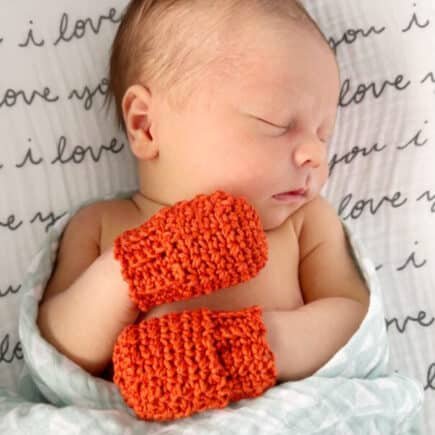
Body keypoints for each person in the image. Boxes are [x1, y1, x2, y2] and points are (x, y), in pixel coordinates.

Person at [36, 0, 370, 420]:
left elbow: (353, 319)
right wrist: (132, 270)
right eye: (276, 124)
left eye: (324, 134)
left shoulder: (305, 224)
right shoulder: (101, 225)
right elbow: (59, 350)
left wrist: (258, 346)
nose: (315, 154)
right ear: (146, 125)